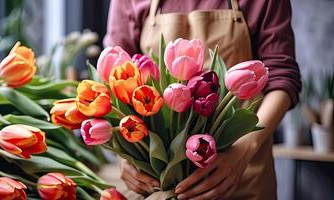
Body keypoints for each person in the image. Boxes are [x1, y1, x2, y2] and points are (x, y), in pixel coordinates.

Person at [104, 0, 301, 199]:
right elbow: (114, 76)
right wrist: (125, 156)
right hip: (153, 184)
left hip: (238, 177)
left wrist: (242, 152)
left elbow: (282, 79)